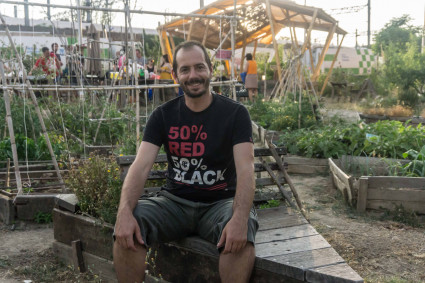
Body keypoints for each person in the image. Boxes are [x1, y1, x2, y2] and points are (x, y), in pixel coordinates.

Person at [113, 40, 258, 283]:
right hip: (174, 204)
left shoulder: (235, 114)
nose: (193, 75)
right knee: (130, 226)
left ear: (210, 70)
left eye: (199, 67)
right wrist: (124, 212)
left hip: (220, 203)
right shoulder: (163, 115)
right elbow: (140, 167)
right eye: (185, 69)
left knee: (239, 236)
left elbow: (246, 168)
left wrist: (240, 219)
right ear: (175, 74)